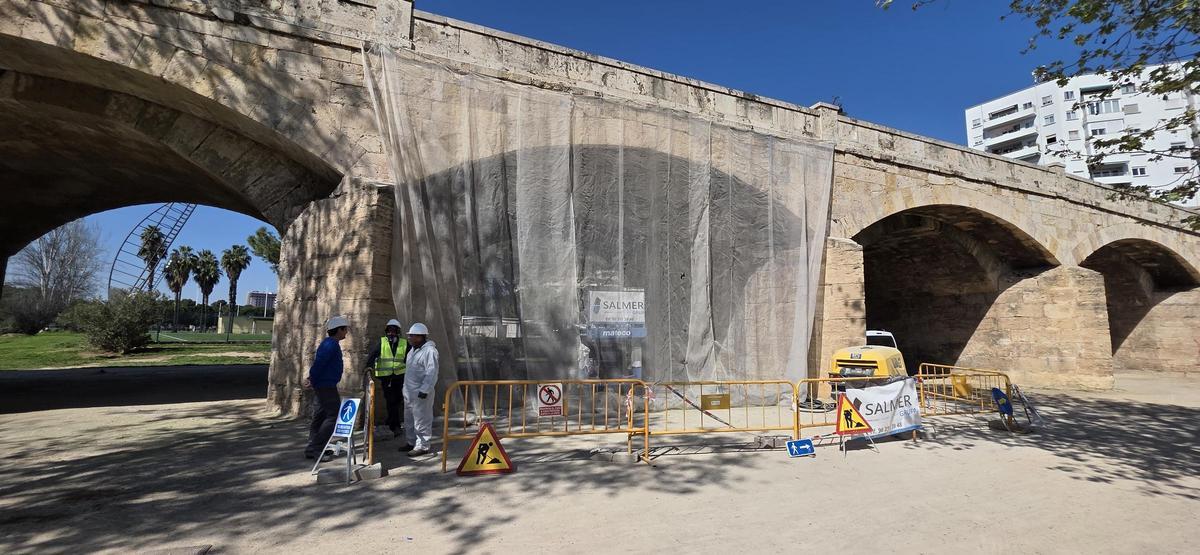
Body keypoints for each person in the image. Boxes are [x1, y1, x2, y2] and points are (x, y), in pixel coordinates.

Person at [304, 315, 349, 461]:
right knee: (333, 416)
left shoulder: (329, 343)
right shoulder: (331, 344)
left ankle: (313, 448)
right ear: (339, 330)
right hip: (326, 385)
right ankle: (317, 448)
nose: (346, 332)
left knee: (321, 415)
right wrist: (312, 378)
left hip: (324, 384)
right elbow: (320, 364)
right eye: (345, 329)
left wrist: (313, 378)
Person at [364, 319, 408, 439]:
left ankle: (391, 422)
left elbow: (411, 356)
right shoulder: (382, 342)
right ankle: (395, 426)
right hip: (386, 378)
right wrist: (368, 367)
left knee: (397, 400)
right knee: (391, 401)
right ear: (386, 331)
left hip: (399, 377)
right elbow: (373, 355)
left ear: (398, 332)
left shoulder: (404, 343)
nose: (391, 333)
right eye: (389, 331)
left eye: (394, 331)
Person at [401, 322, 439, 456]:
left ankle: (423, 446)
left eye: (412, 336)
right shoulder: (413, 350)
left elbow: (431, 372)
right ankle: (411, 442)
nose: (410, 338)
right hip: (410, 392)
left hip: (421, 393)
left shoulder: (430, 351)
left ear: (420, 337)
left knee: (422, 419)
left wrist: (425, 390)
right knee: (409, 419)